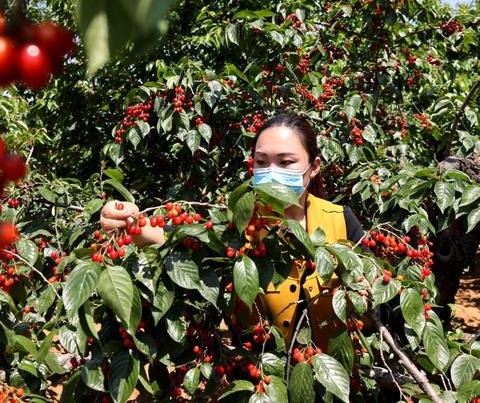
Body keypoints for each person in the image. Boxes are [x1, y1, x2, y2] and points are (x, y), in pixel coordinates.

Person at [99, 111, 366, 350]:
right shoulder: (240, 224)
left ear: (315, 167)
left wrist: (364, 295)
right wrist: (130, 223)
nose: (272, 173)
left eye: (285, 163)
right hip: (257, 380)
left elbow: (377, 302)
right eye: (262, 162)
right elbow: (177, 235)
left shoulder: (342, 221)